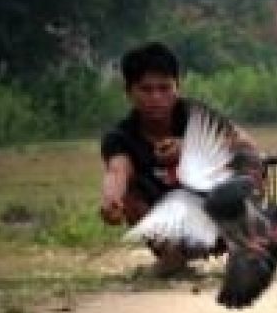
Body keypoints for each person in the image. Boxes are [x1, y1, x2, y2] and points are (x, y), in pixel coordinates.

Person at [100, 42, 261, 275]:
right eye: (146, 89)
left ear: (178, 87)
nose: (156, 98)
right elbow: (117, 172)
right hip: (169, 228)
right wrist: (110, 201)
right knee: (128, 193)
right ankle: (171, 258)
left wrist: (192, 148)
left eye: (165, 88)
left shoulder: (198, 118)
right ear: (129, 92)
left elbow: (248, 146)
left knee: (247, 163)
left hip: (217, 217)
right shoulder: (121, 137)